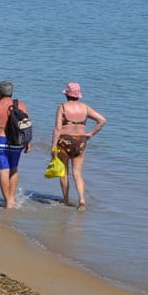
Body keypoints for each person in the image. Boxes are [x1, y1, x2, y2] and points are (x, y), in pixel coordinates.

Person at [52, 82, 107, 210]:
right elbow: (102, 120)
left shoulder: (62, 107)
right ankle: (81, 200)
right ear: (78, 95)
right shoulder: (85, 108)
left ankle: (65, 200)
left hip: (64, 140)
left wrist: (53, 146)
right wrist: (91, 134)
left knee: (63, 173)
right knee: (77, 174)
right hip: (80, 141)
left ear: (67, 95)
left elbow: (58, 128)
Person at [0, 80, 32, 209]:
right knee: (13, 168)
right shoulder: (21, 105)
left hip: (0, 141)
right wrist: (28, 141)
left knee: (3, 171)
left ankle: (8, 202)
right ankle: (12, 199)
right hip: (17, 142)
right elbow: (27, 125)